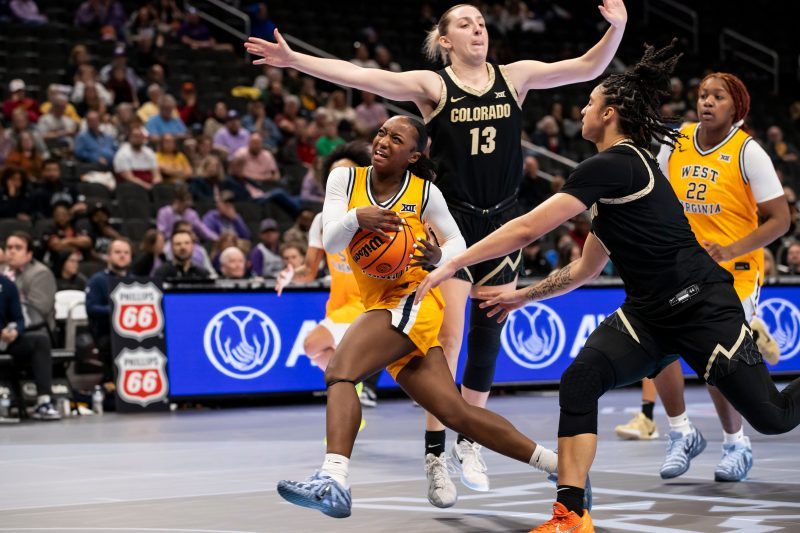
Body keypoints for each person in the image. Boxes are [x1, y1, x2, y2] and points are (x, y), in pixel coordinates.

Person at [246, 0, 627, 504]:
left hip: (504, 221)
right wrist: (295, 61)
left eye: (481, 23)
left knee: (488, 337)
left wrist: (617, 27)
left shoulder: (515, 77)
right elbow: (363, 75)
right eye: (465, 24)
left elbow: (588, 66)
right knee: (447, 340)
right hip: (453, 223)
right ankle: (434, 456)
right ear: (445, 40)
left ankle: (470, 444)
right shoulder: (434, 86)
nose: (478, 29)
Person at [416, 42, 800, 532]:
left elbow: (527, 228)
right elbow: (585, 269)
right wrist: (520, 296)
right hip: (649, 316)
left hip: (702, 306)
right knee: (580, 380)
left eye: (589, 102)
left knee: (773, 418)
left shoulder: (617, 163)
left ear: (609, 114)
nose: (581, 110)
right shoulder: (612, 180)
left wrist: (454, 261)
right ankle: (571, 514)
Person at [276, 115, 560, 519]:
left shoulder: (425, 193)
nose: (383, 141)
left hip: (414, 299)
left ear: (413, 155)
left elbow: (457, 241)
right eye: (381, 133)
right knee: (455, 413)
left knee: (341, 371)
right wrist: (358, 218)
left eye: (396, 139)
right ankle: (558, 465)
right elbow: (332, 241)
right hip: (380, 303)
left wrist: (440, 256)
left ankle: (333, 479)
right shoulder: (345, 180)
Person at [617, 72, 788, 483]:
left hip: (734, 271)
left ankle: (736, 444)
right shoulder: (676, 140)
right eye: (703, 95)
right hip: (679, 266)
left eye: (718, 97)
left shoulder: (748, 152)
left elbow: (780, 220)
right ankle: (681, 433)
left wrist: (730, 249)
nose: (707, 102)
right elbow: (656, 194)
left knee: (718, 360)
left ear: (737, 107)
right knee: (657, 346)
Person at [275, 142, 379, 406]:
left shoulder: (373, 215)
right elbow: (308, 272)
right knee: (322, 355)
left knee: (313, 345)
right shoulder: (322, 220)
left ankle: (351, 387)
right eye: (334, 174)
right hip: (338, 305)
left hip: (366, 304)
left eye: (347, 173)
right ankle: (351, 389)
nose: (340, 179)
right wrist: (290, 275)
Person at [3, 232, 60, 420]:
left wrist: (13, 328)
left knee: (39, 340)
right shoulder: (3, 273)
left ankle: (44, 402)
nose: (12, 252)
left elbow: (37, 311)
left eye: (17, 248)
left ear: (29, 254)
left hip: (31, 330)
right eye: (9, 247)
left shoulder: (40, 273)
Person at [85, 238, 133, 380]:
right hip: (107, 333)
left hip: (134, 333)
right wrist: (117, 311)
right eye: (117, 252)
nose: (122, 255)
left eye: (126, 253)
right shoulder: (97, 280)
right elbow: (91, 308)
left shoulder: (136, 281)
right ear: (108, 256)